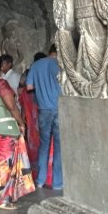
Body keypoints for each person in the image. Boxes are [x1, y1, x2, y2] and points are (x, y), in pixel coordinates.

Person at [0, 53, 35, 210]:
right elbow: (11, 106)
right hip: (3, 129)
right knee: (4, 164)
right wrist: (21, 123)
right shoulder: (0, 83)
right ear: (1, 65)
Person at [26, 44, 63, 190]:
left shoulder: (36, 65)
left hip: (43, 111)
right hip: (59, 109)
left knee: (44, 145)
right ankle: (57, 183)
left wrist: (42, 87)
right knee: (59, 146)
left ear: (49, 51)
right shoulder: (60, 65)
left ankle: (40, 181)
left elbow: (29, 87)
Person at [19, 52, 53, 188]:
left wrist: (22, 120)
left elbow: (24, 90)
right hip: (45, 111)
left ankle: (37, 177)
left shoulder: (30, 73)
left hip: (33, 118)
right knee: (48, 145)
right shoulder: (51, 72)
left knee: (37, 146)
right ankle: (49, 178)